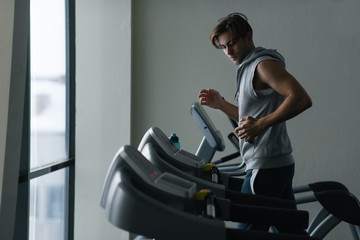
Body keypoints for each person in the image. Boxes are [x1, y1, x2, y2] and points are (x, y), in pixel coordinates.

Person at [198, 13, 312, 232]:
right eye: (223, 47)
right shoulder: (248, 67)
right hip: (277, 164)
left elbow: (301, 99)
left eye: (231, 43)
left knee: (246, 232)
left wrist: (261, 125)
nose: (228, 52)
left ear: (248, 36)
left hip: (265, 167)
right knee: (290, 233)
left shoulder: (263, 65)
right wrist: (221, 104)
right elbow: (250, 116)